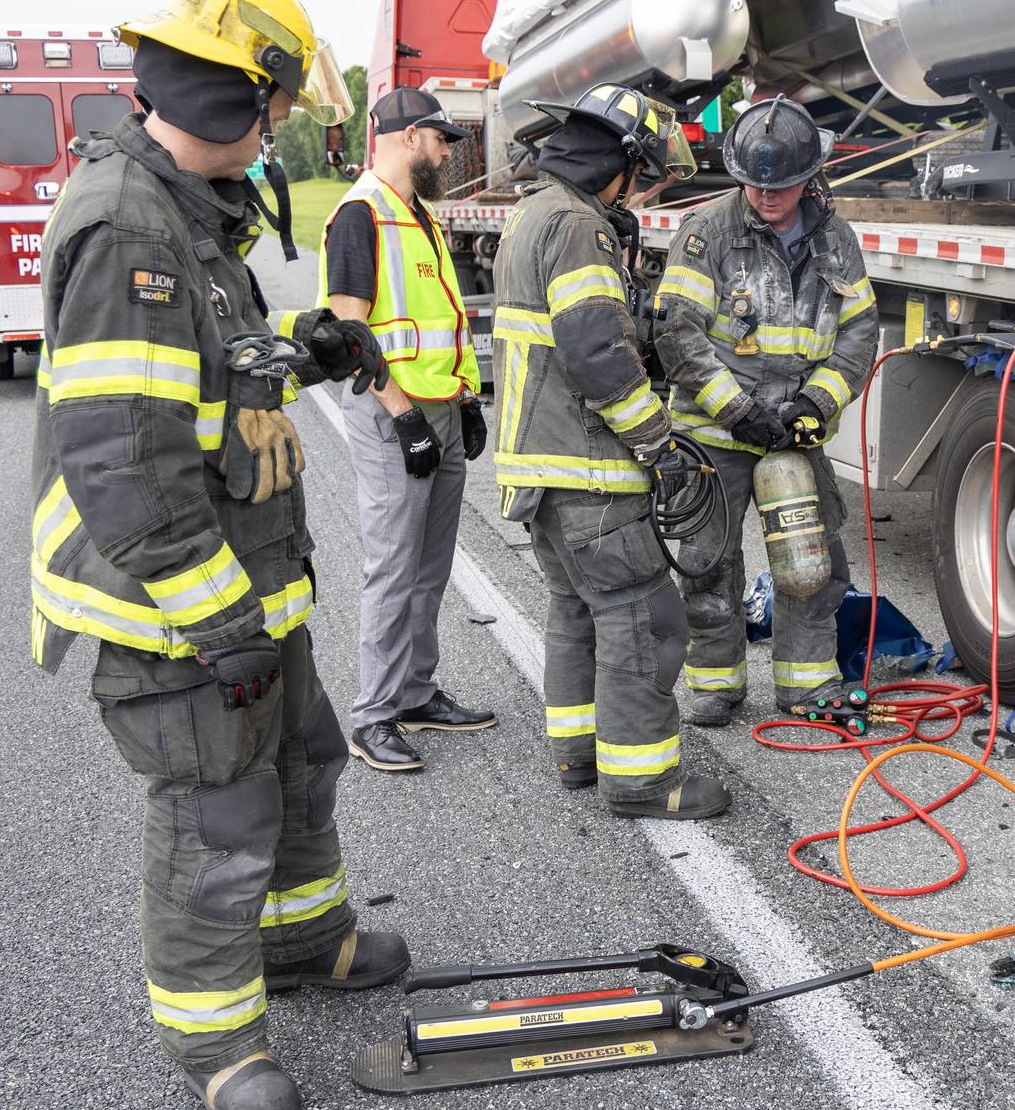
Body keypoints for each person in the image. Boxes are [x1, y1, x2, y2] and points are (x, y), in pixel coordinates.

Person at [29, 0, 409, 1110]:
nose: (280, 133)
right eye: (276, 110)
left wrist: (303, 349)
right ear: (231, 97)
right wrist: (215, 620)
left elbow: (214, 377)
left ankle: (302, 943)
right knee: (214, 810)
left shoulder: (193, 212)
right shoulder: (128, 228)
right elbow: (125, 464)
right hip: (178, 605)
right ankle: (215, 1039)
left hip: (249, 585)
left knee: (298, 764)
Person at [489, 83, 730, 819]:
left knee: (575, 611)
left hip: (540, 469)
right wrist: (658, 443)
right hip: (588, 468)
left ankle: (578, 754)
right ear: (617, 163)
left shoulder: (533, 213)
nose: (646, 188)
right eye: (644, 172)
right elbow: (597, 353)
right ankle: (646, 780)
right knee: (640, 617)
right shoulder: (576, 225)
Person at [653, 97, 878, 726]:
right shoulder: (707, 232)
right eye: (753, 183)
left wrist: (816, 402)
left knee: (812, 562)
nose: (765, 196)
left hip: (792, 433)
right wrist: (737, 410)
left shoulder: (835, 239)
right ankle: (717, 686)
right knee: (708, 560)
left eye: (779, 185)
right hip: (716, 432)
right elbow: (678, 334)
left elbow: (860, 333)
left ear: (811, 177)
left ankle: (804, 684)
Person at [318, 87, 496, 773]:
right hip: (397, 414)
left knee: (430, 566)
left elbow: (440, 318)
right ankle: (372, 715)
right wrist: (404, 415)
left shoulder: (416, 215)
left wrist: (466, 397)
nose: (447, 151)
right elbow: (347, 332)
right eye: (441, 139)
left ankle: (416, 692)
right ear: (408, 136)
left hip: (441, 409)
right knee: (393, 568)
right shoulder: (361, 214)